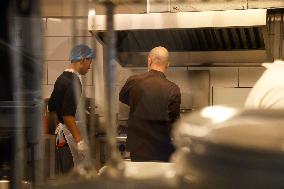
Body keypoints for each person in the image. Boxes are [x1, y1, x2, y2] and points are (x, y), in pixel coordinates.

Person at [119, 46, 181, 162]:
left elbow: (122, 97)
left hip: (138, 150)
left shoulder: (134, 81)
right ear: (168, 64)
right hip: (162, 150)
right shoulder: (173, 89)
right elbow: (174, 121)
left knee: (141, 180)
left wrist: (139, 102)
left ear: (149, 60)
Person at [48, 44, 95, 173]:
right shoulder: (74, 82)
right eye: (90, 61)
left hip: (62, 136)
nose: (90, 66)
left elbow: (51, 106)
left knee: (66, 175)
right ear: (82, 60)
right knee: (74, 176)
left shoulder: (61, 78)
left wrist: (60, 124)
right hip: (70, 139)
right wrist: (79, 141)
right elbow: (68, 115)